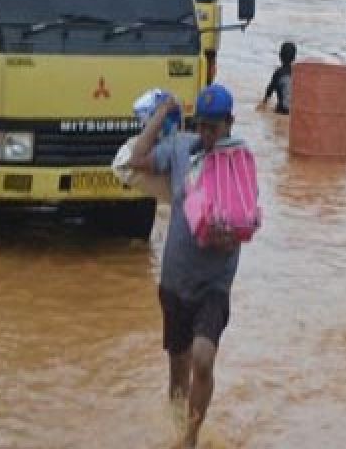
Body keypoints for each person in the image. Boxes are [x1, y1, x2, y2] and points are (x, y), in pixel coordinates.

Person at [127, 84, 248, 449]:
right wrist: (162, 115)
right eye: (202, 127)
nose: (208, 135)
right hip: (175, 282)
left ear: (230, 124)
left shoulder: (239, 163)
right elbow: (136, 160)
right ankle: (176, 431)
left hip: (213, 285)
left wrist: (230, 237)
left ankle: (191, 440)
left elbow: (245, 219)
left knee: (203, 359)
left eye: (215, 128)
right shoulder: (181, 150)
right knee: (177, 373)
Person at [262, 42, 296, 115]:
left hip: (281, 110)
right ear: (294, 58)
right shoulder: (298, 73)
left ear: (280, 56)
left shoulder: (278, 73)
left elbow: (269, 91)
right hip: (294, 111)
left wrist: (263, 103)